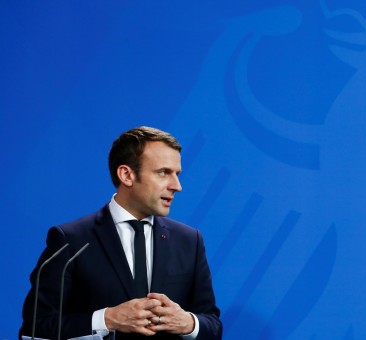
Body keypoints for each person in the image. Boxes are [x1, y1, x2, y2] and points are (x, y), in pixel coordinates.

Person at [19, 126, 222, 339]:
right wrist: (106, 319)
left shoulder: (189, 241)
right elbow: (36, 327)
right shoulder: (71, 240)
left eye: (177, 174)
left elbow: (213, 324)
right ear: (127, 175)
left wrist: (189, 323)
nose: (177, 186)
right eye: (164, 172)